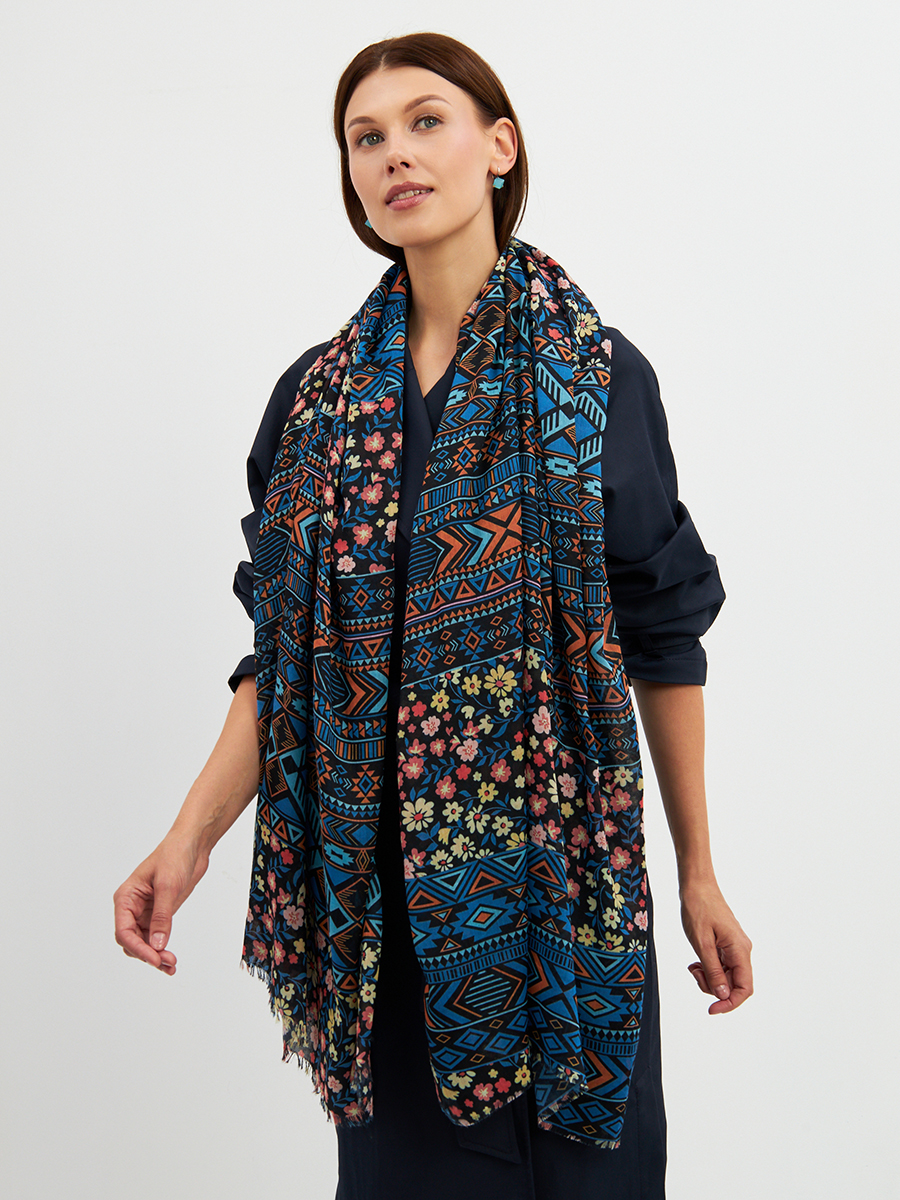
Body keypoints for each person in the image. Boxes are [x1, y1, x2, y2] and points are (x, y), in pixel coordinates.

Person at [114, 31, 753, 1199]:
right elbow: (284, 665)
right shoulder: (313, 407)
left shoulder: (597, 379)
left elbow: (662, 637)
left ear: (499, 147)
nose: (394, 154)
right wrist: (185, 841)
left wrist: (699, 871)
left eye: (425, 121)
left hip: (563, 907)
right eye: (365, 138)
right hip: (382, 928)